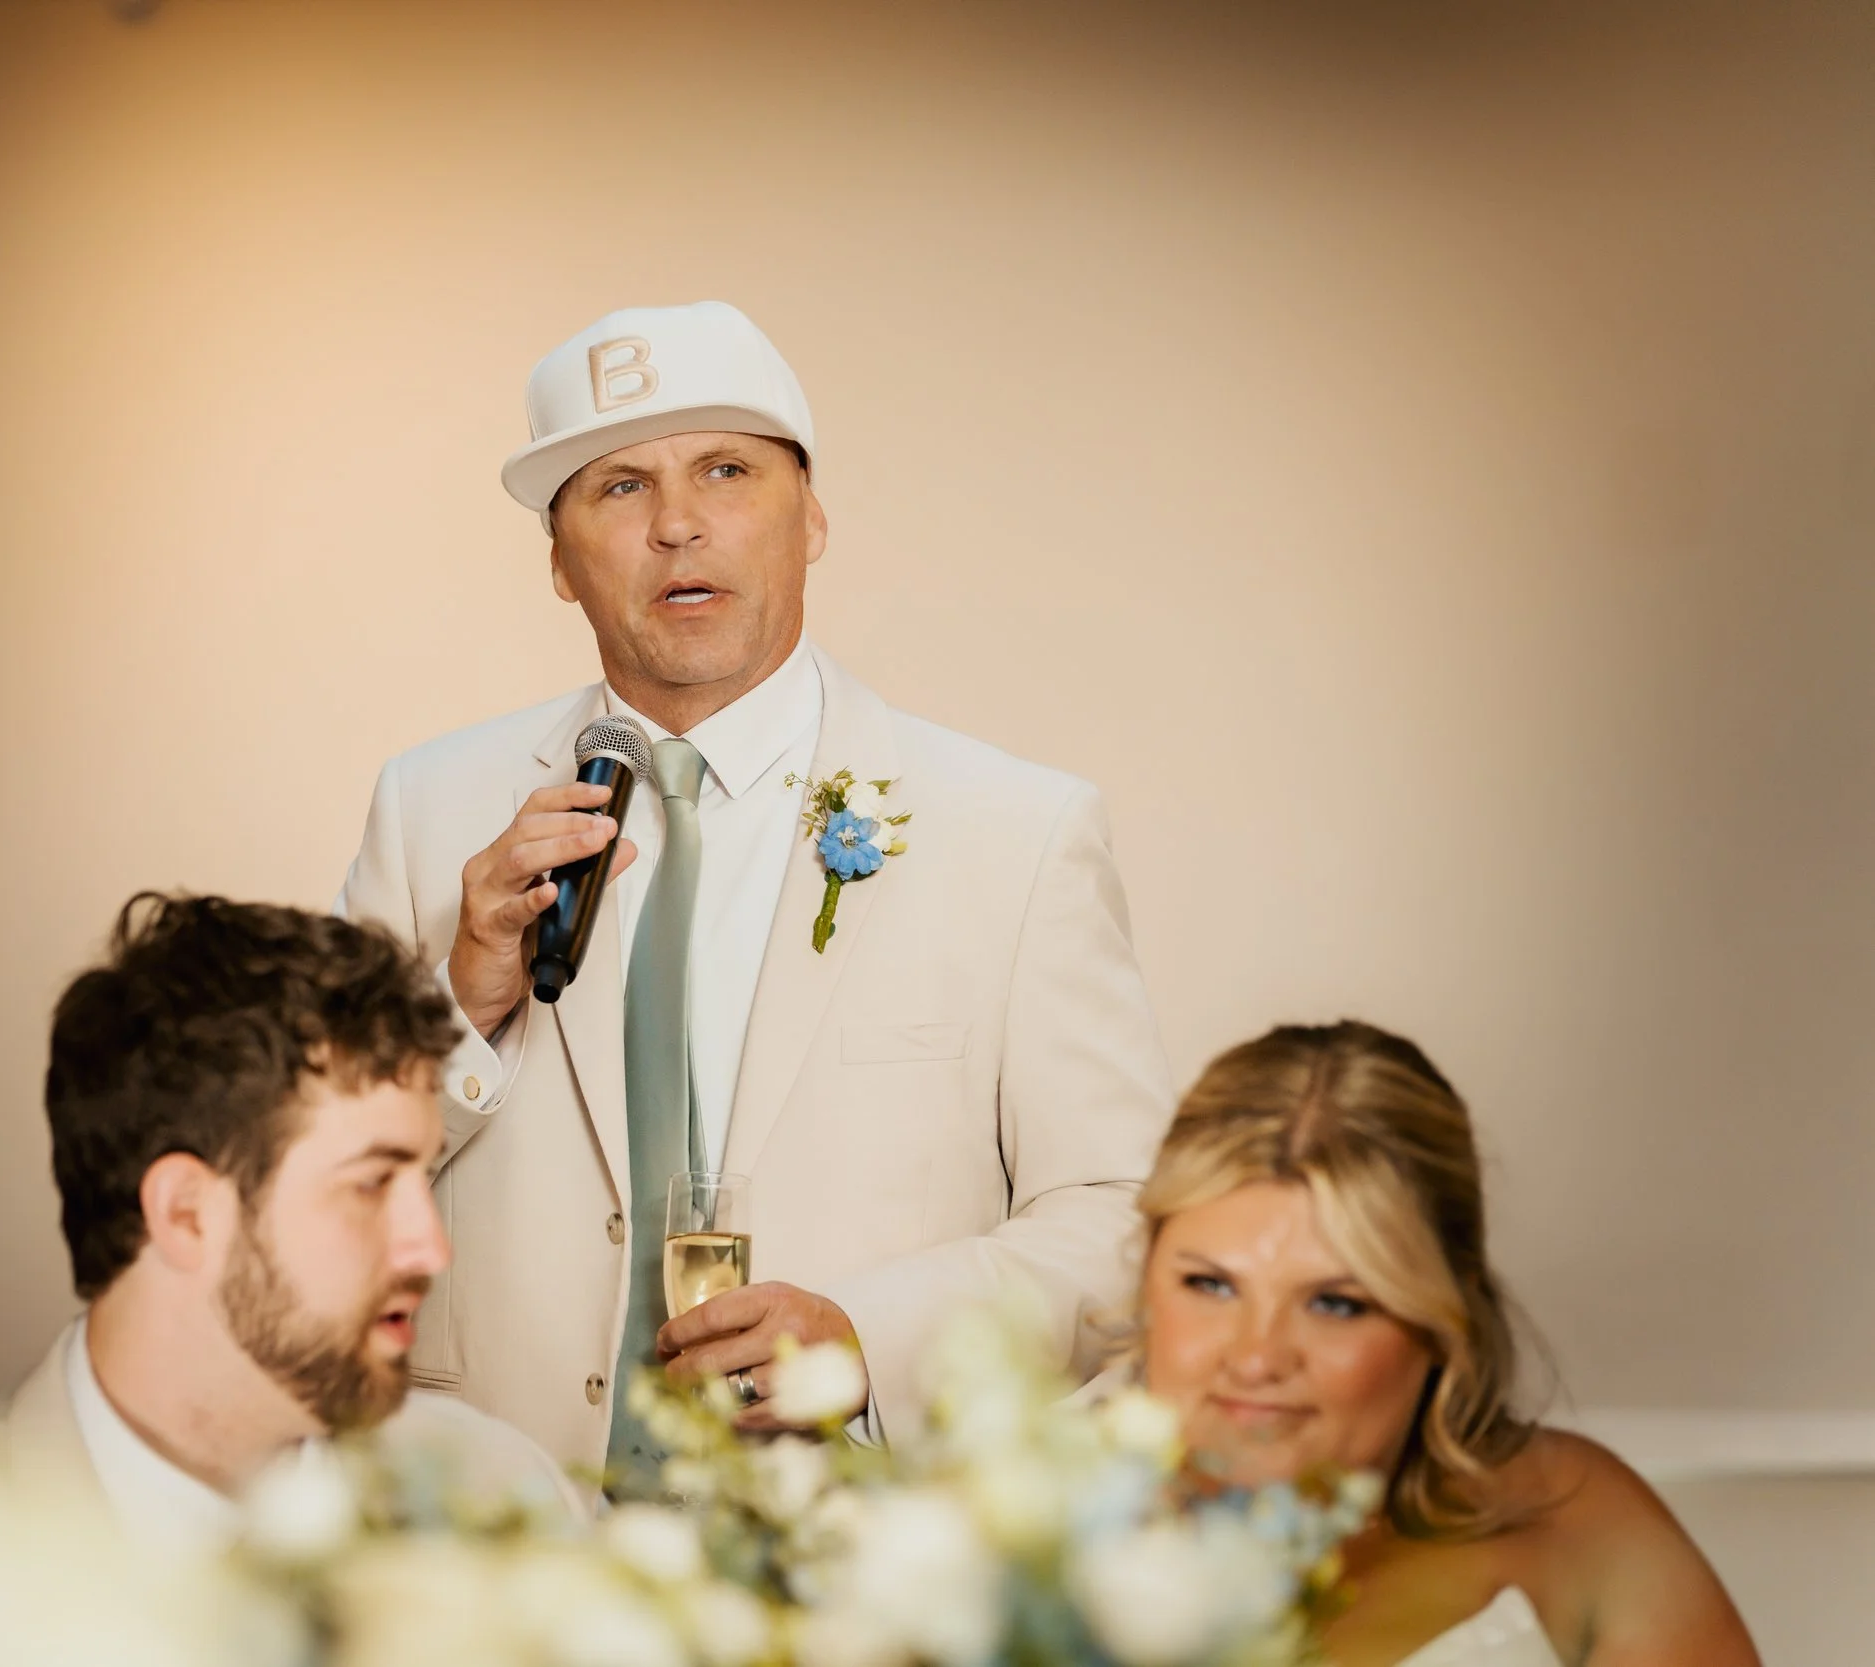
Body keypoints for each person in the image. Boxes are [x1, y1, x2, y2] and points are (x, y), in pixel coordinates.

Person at [337, 299, 1173, 1480]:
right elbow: (299, 1194)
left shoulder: (1017, 831)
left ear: (812, 516)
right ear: (559, 562)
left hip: (851, 1538)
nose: (677, 524)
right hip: (498, 1518)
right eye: (619, 486)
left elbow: (1124, 1214)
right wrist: (459, 1002)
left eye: (725, 470)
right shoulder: (428, 809)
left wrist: (872, 1340)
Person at [1134, 1020, 1757, 1666]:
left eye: (1336, 1303)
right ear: (1147, 1273)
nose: (1256, 1358)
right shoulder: (1060, 1548)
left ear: (1443, 1318)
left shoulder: (1576, 1516)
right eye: (1209, 1284)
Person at [0, 892, 582, 1554]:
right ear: (185, 1213)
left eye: (417, 1176)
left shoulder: (507, 1497)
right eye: (371, 1182)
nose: (431, 1250)